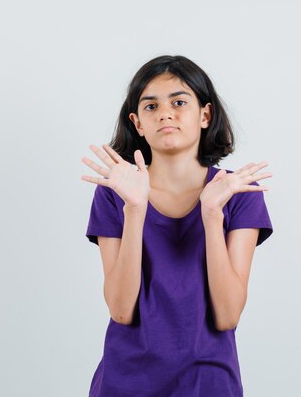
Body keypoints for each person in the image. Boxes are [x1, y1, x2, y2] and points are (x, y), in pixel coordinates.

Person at [80, 55, 274, 397]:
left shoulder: (238, 193)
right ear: (137, 123)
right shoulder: (116, 195)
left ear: (205, 115)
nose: (165, 113)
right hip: (125, 382)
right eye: (150, 106)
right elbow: (121, 310)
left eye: (179, 102)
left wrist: (212, 213)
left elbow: (228, 315)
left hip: (209, 382)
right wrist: (135, 208)